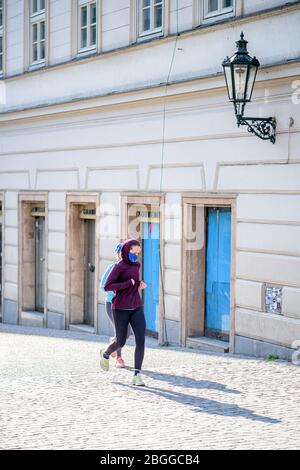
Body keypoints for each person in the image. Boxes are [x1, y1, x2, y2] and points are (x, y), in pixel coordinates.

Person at [99, 239, 147, 386]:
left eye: (138, 253)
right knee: (121, 341)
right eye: (134, 252)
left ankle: (137, 375)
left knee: (141, 340)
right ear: (127, 250)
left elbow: (133, 282)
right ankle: (106, 353)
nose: (136, 255)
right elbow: (107, 286)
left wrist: (139, 284)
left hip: (136, 306)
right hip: (120, 308)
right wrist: (128, 284)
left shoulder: (136, 265)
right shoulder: (118, 266)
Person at [99, 242, 132, 368]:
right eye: (122, 252)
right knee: (121, 331)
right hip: (112, 304)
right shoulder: (112, 268)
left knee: (127, 333)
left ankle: (110, 347)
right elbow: (103, 286)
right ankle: (119, 358)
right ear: (118, 254)